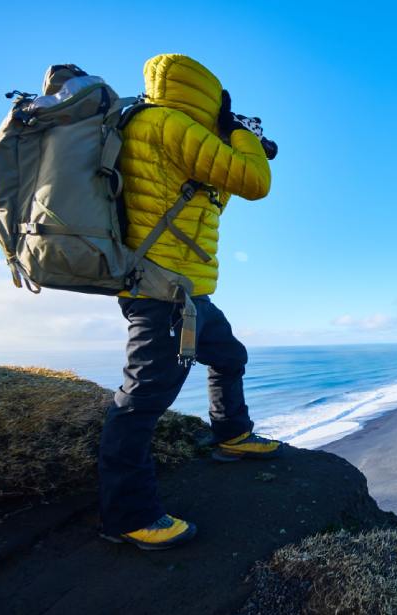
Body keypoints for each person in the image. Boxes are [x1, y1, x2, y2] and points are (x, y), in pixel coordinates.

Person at [98, 54, 281, 551]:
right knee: (143, 399)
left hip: (183, 290)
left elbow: (217, 188)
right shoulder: (165, 123)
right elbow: (256, 182)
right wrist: (237, 132)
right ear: (209, 96)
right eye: (225, 105)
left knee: (228, 355)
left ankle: (231, 435)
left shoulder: (159, 126)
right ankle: (128, 515)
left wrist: (232, 138)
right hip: (161, 293)